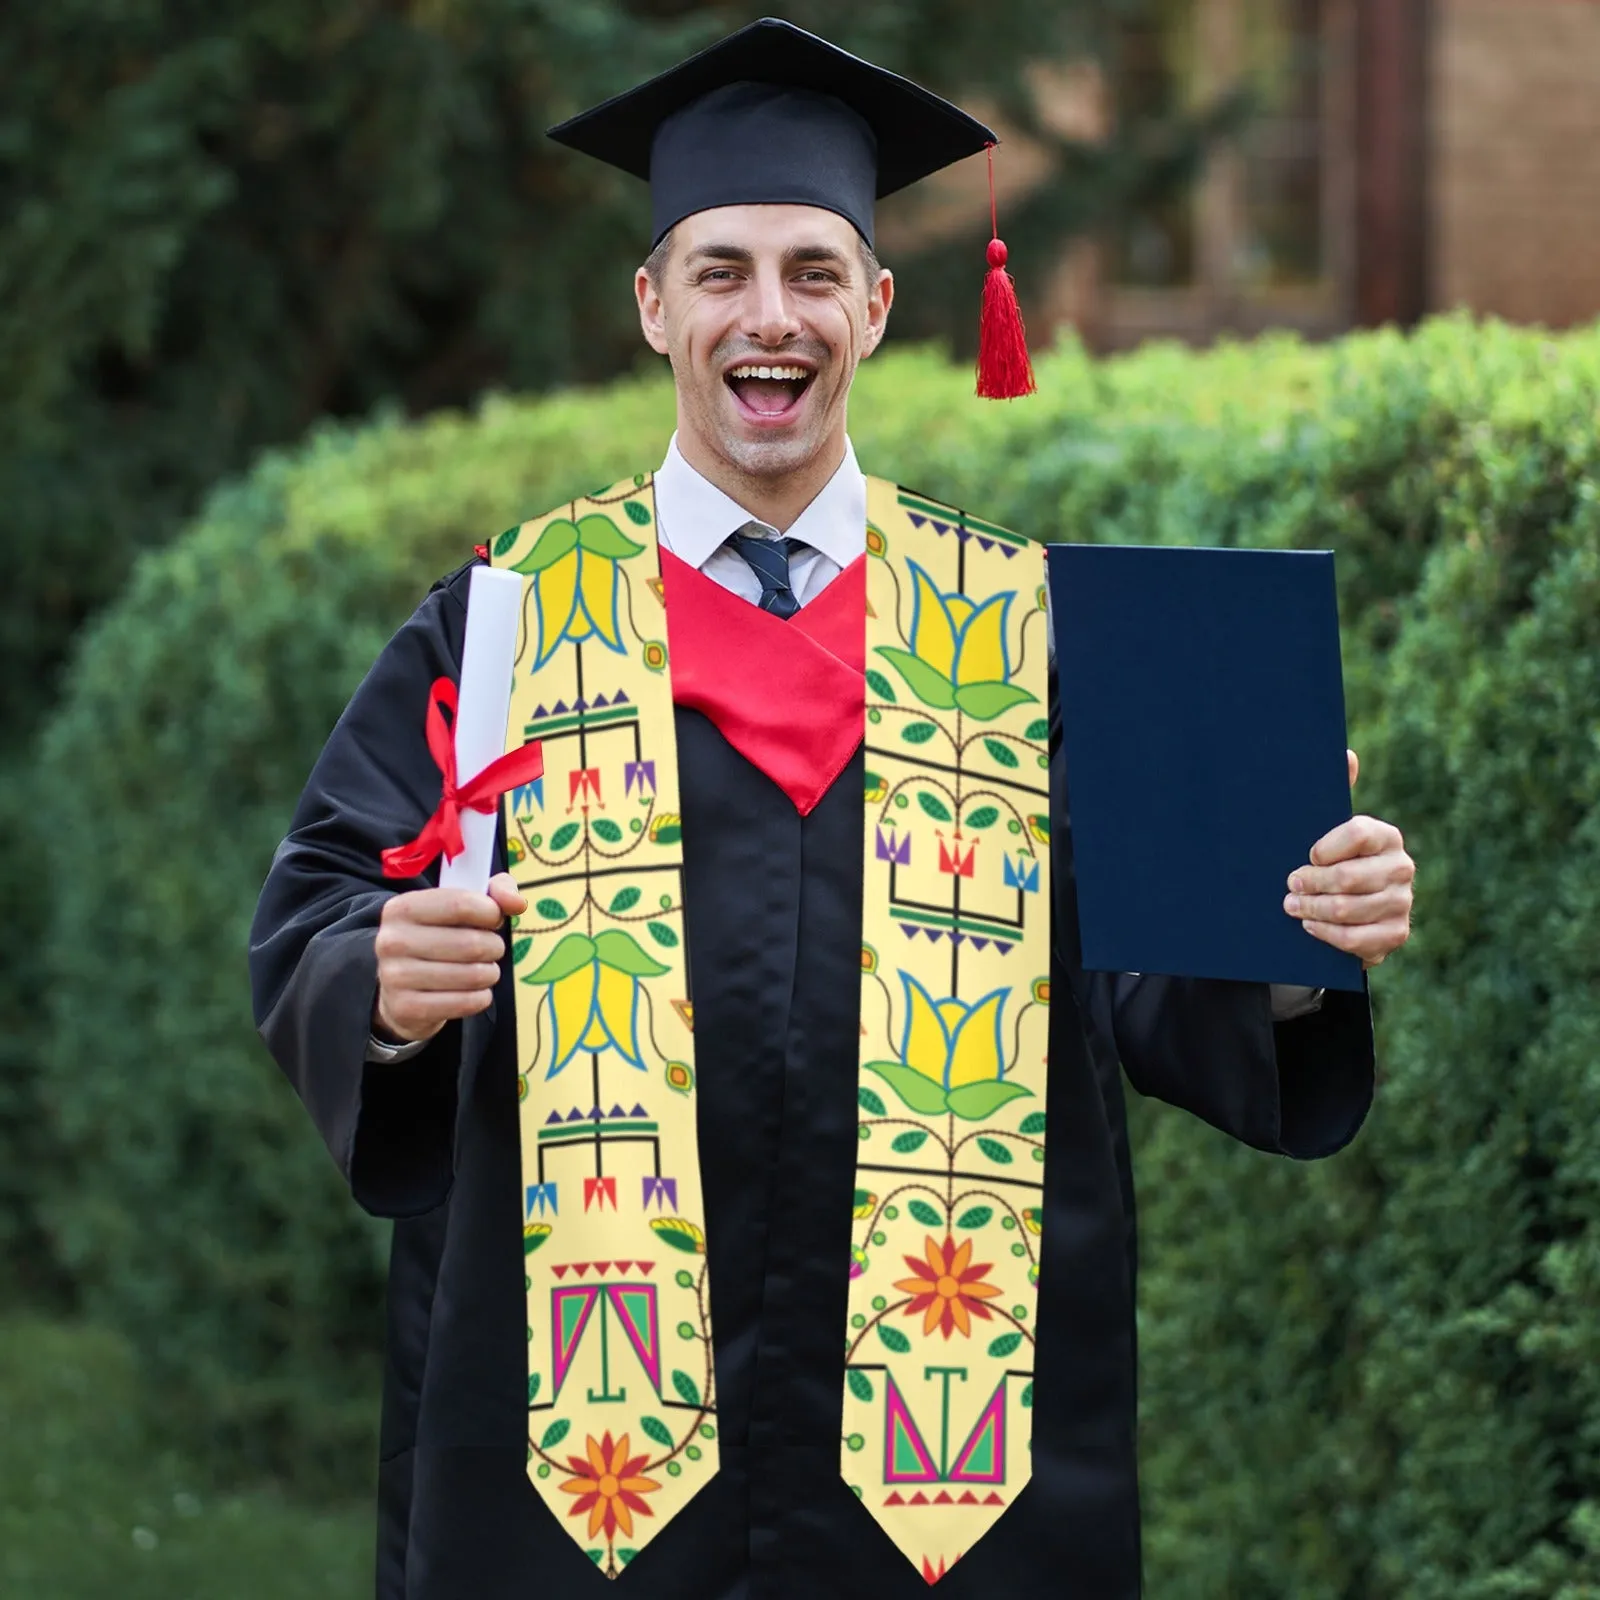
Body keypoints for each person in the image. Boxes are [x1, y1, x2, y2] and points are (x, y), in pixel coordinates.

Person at [249, 18, 1415, 1600]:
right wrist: (380, 983)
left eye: (812, 271)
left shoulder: (1030, 629)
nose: (768, 317)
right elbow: (323, 903)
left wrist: (1293, 934)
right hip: (582, 1469)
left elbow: (1151, 980)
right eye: (721, 271)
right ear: (654, 305)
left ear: (876, 305)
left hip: (956, 1457)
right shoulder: (509, 625)